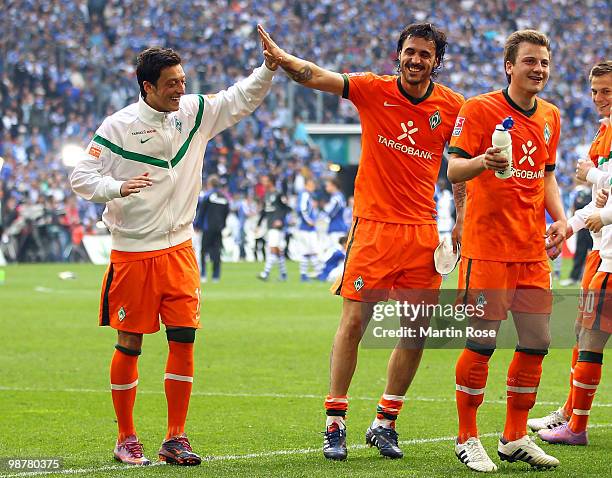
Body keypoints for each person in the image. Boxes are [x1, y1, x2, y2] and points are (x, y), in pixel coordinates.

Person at [258, 22, 465, 460]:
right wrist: (283, 59)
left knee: (415, 331)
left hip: (422, 233)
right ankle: (335, 421)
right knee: (354, 325)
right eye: (410, 51)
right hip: (372, 229)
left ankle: (385, 421)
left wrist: (460, 220)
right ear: (399, 54)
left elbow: (460, 167)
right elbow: (317, 76)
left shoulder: (452, 107)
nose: (415, 60)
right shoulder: (372, 89)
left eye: (425, 54)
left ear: (437, 61)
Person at [70, 46, 277, 466]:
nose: (180, 90)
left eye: (183, 81)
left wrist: (268, 68)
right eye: (171, 84)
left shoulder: (193, 113)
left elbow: (239, 98)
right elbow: (81, 176)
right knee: (129, 343)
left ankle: (175, 438)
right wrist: (116, 188)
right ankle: (126, 437)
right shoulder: (119, 125)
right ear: (148, 87)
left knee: (184, 340)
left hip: (180, 250)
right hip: (133, 253)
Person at [447, 30, 565, 471]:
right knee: (482, 342)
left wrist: (562, 219)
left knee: (538, 341)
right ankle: (466, 438)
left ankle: (515, 438)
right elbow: (454, 166)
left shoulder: (551, 114)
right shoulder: (478, 109)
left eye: (544, 62)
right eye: (530, 61)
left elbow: (548, 175)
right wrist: (484, 163)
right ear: (509, 67)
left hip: (532, 249)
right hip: (488, 247)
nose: (539, 69)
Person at [533, 60, 612, 445]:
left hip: (610, 256)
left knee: (592, 334)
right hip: (602, 249)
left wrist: (594, 179)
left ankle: (576, 426)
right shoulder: (605, 130)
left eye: (606, 91)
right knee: (585, 332)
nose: (598, 98)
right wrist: (570, 224)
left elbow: (604, 189)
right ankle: (570, 412)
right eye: (595, 90)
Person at [194, 175, 230, 283]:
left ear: (209, 184)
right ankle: (216, 276)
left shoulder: (208, 196)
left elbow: (202, 212)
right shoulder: (224, 197)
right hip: (218, 228)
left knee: (204, 251)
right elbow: (226, 213)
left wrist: (197, 225)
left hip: (207, 227)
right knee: (217, 252)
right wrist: (222, 225)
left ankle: (203, 275)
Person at [257, 174, 291, 281]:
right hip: (269, 224)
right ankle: (284, 274)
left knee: (272, 248)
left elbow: (287, 208)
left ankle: (265, 273)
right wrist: (259, 223)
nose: (264, 183)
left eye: (265, 180)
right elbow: (264, 211)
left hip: (276, 226)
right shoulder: (266, 194)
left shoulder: (278, 194)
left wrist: (280, 219)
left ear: (271, 182)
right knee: (277, 250)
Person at [295, 178, 319, 281]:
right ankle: (313, 274)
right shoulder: (305, 194)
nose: (313, 187)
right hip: (306, 228)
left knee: (309, 251)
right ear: (306, 185)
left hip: (308, 228)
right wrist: (308, 220)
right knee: (310, 250)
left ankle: (308, 274)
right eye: (311, 185)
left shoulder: (309, 195)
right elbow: (302, 209)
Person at [322, 178, 348, 252]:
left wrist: (324, 214)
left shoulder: (337, 197)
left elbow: (330, 212)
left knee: (337, 251)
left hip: (337, 227)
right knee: (332, 251)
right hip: (336, 226)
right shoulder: (337, 196)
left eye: (328, 186)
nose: (326, 188)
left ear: (334, 186)